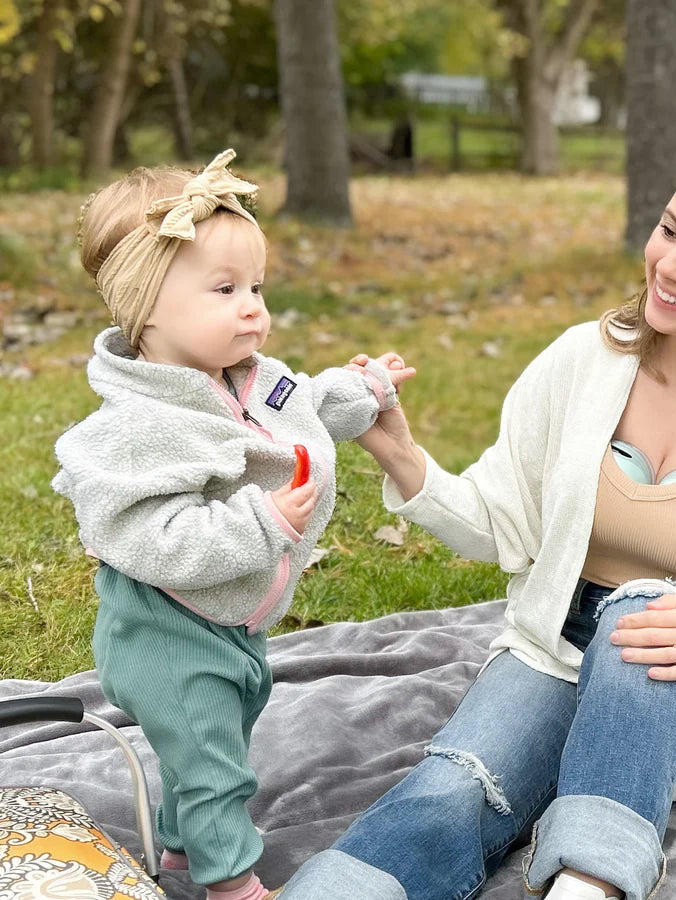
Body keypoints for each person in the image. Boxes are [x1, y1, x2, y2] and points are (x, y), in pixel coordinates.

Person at [281, 133, 676, 900]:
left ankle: (588, 885)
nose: (667, 265)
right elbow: (503, 522)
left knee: (644, 617)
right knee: (452, 792)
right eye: (668, 231)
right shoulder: (581, 361)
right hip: (554, 648)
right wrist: (402, 455)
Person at [52, 150, 415, 900]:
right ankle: (230, 882)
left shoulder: (248, 376)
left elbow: (307, 404)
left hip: (232, 624)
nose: (253, 306)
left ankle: (183, 853)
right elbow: (152, 539)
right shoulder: (139, 428)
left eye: (257, 286)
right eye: (225, 290)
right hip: (165, 629)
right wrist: (259, 521)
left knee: (216, 738)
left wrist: (364, 387)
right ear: (148, 307)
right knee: (215, 762)